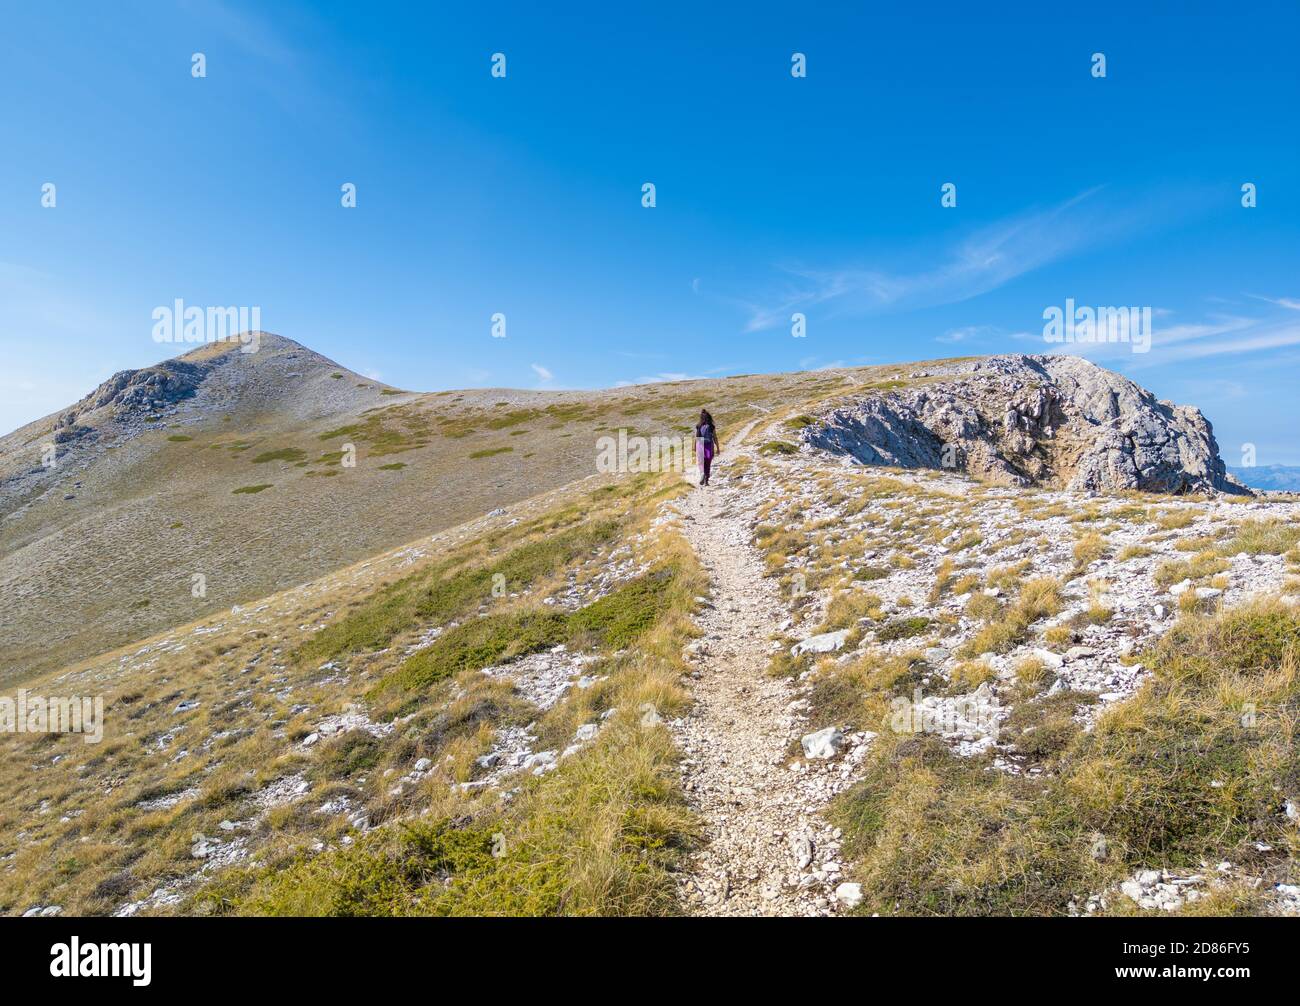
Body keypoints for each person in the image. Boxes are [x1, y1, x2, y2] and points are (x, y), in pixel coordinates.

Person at [694, 409, 720, 486]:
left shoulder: (698, 425)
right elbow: (715, 437)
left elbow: (696, 437)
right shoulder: (712, 426)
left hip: (700, 444)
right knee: (708, 463)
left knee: (701, 462)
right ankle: (706, 481)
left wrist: (694, 446)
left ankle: (702, 473)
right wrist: (718, 448)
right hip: (709, 445)